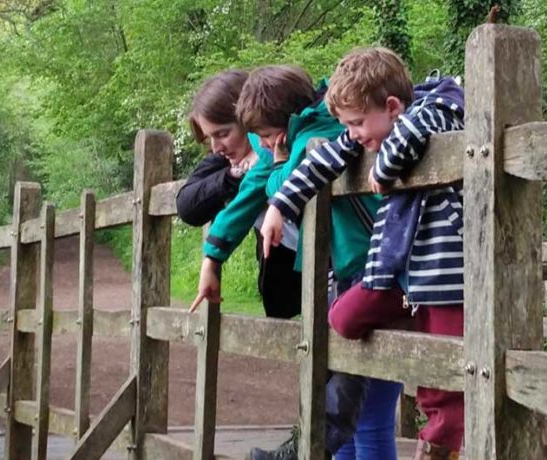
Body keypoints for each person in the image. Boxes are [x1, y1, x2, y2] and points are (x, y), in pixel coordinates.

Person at [258, 48, 467, 460]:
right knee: (341, 319)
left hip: (446, 273)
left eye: (356, 123)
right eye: (347, 125)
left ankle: (441, 445)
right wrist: (280, 206)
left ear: (391, 106)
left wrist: (383, 169)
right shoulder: (369, 133)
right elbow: (323, 160)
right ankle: (405, 316)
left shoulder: (437, 108)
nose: (352, 134)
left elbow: (410, 134)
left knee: (442, 375)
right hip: (399, 272)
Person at [234, 64, 396, 460]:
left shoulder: (318, 137)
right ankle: (308, 444)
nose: (354, 131)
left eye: (269, 137)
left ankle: (307, 446)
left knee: (369, 417)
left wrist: (276, 165)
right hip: (351, 273)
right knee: (347, 400)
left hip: (372, 270)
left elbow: (281, 183)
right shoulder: (337, 136)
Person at [176, 70, 302, 319]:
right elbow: (187, 205)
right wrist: (232, 178)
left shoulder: (276, 151)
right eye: (210, 137)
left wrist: (211, 259)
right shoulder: (227, 159)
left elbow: (247, 199)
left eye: (223, 134)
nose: (216, 148)